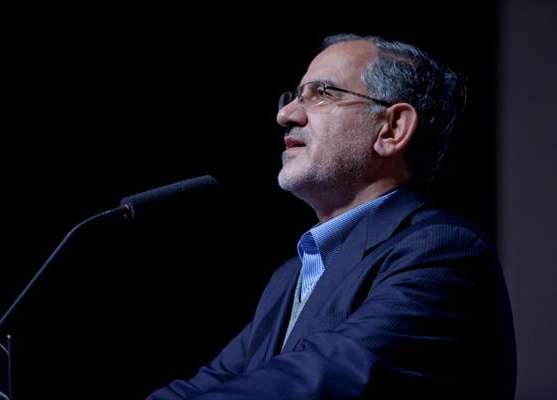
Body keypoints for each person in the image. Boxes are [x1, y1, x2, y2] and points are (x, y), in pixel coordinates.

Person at [146, 33, 516, 399]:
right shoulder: (290, 276)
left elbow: (324, 380)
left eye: (322, 93)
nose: (286, 114)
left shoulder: (443, 253)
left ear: (392, 129)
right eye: (294, 96)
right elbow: (212, 383)